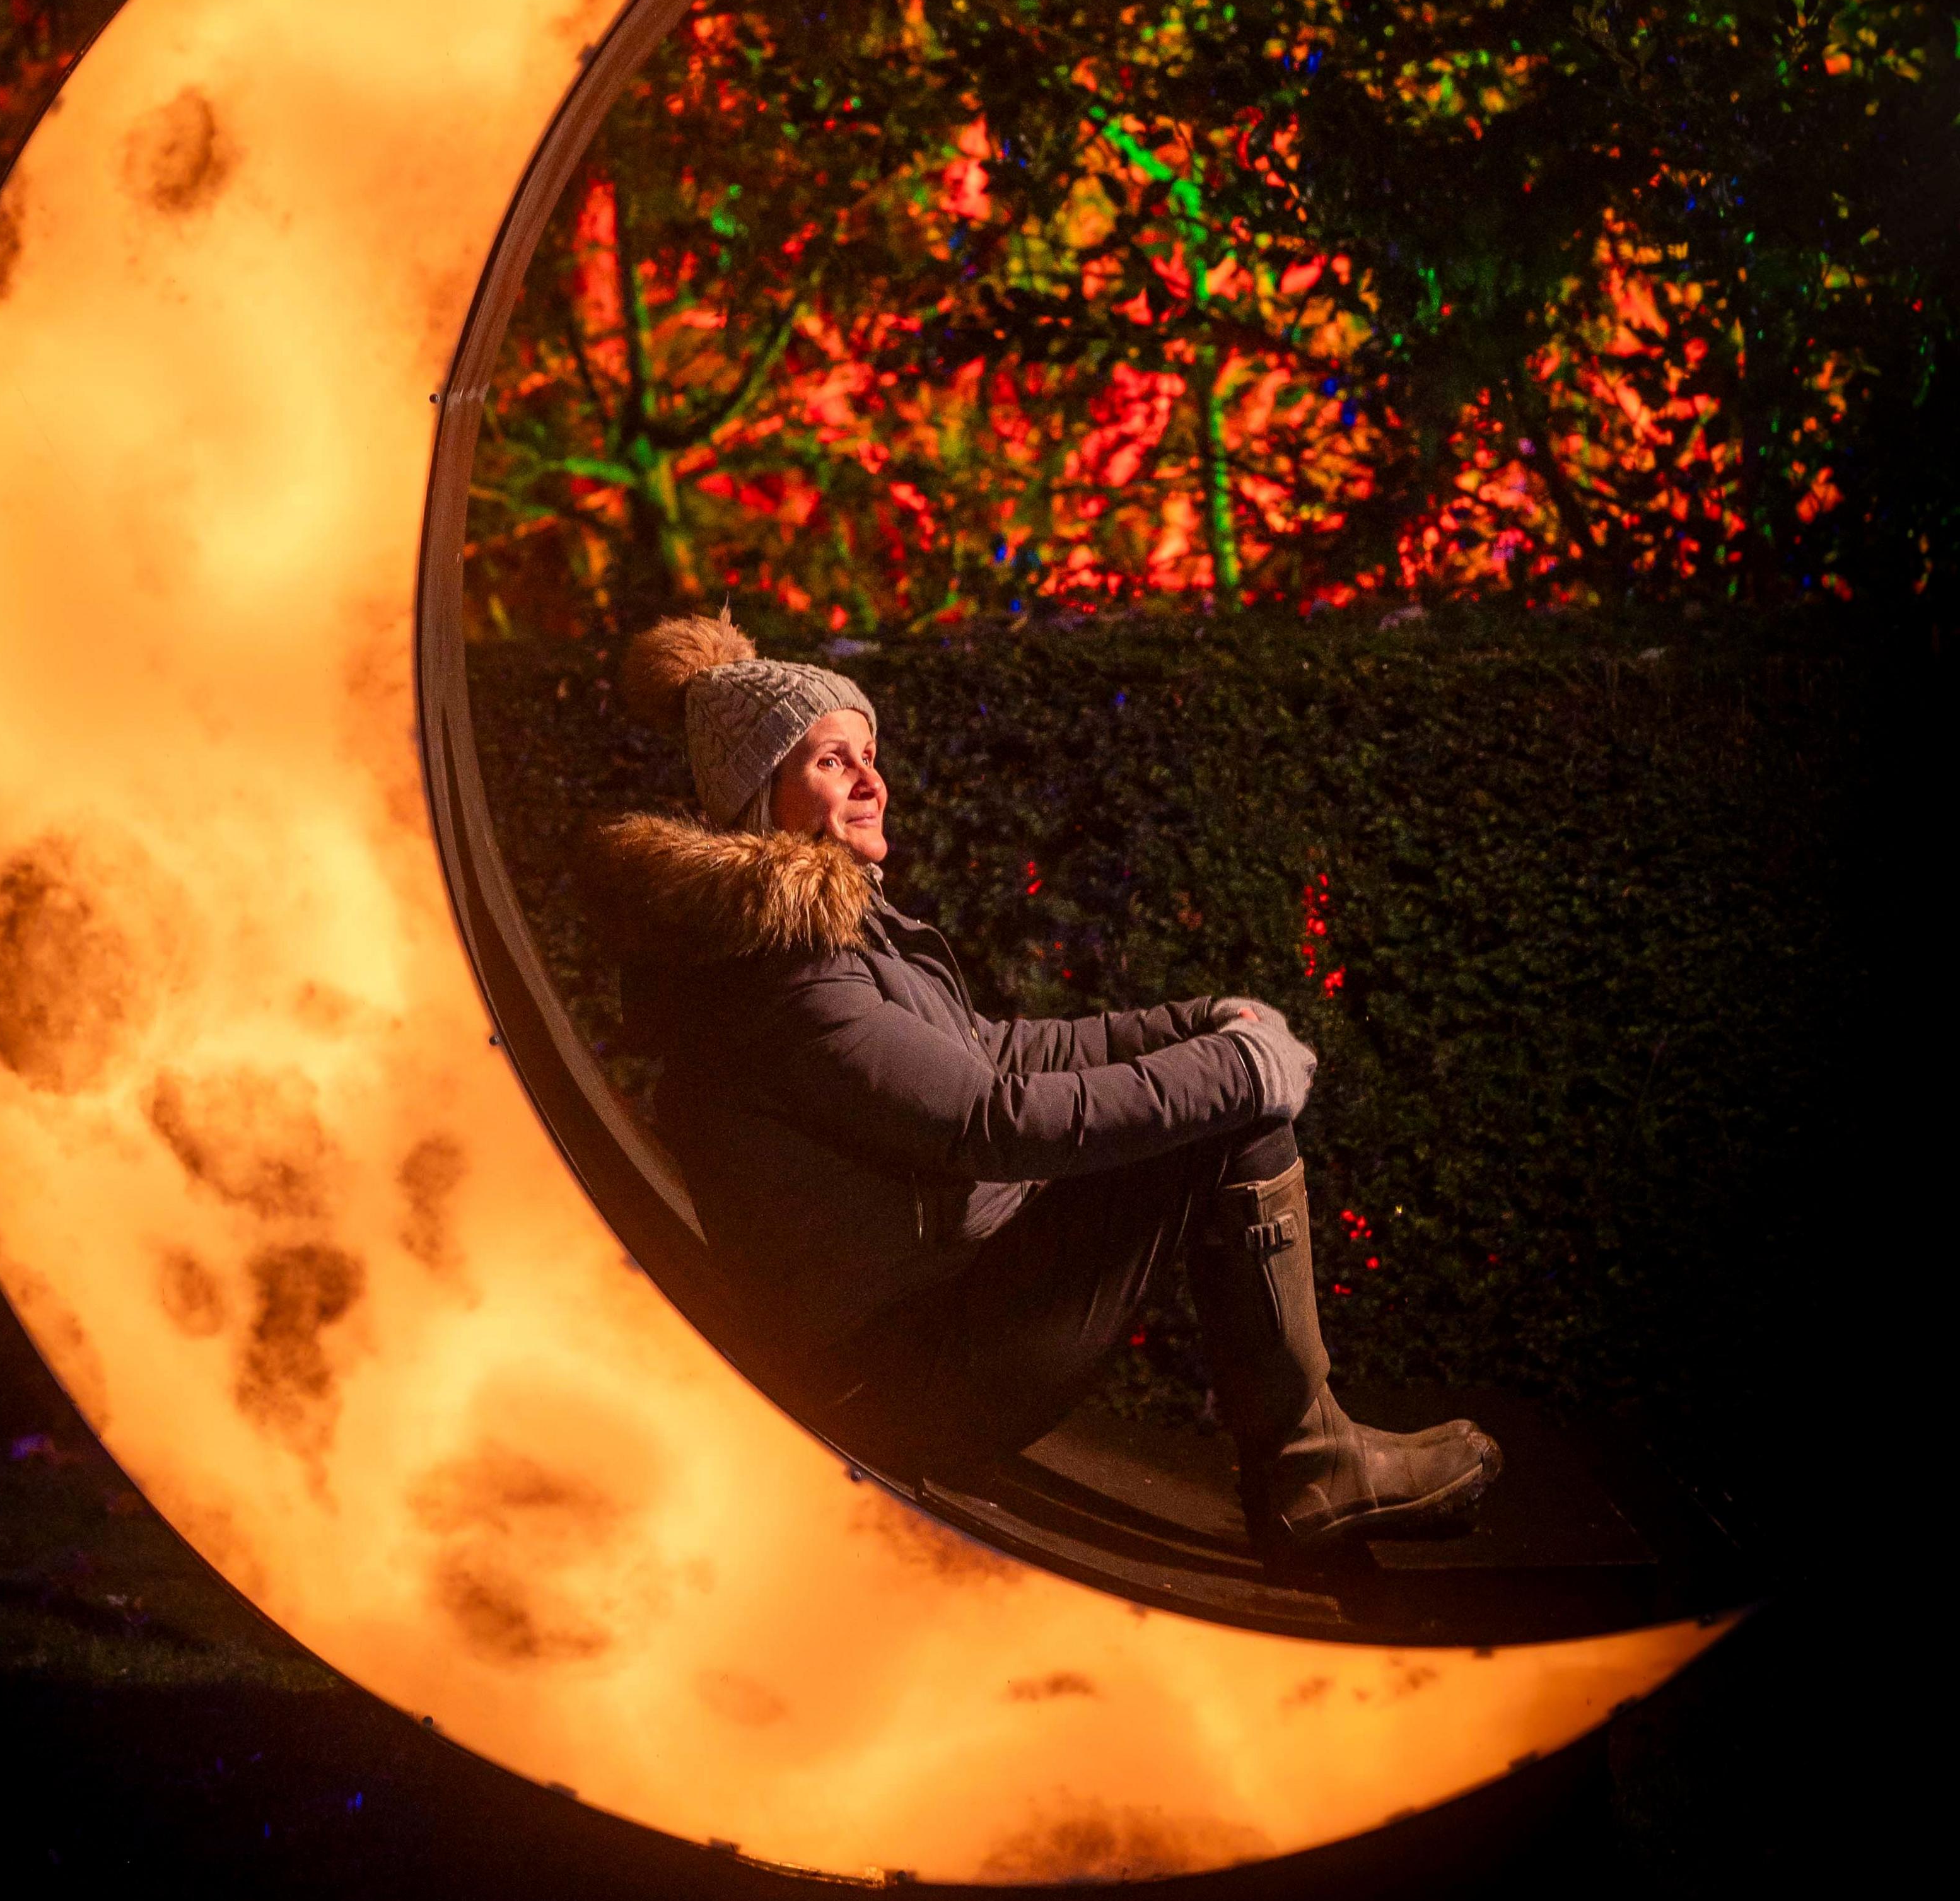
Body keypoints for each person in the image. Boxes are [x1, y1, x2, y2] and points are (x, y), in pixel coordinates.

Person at [588, 611, 1500, 1556]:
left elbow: (996, 1049)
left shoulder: (835, 940)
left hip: (935, 1327)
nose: (871, 782)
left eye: (869, 753)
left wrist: (1195, 1022)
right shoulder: (786, 982)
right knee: (1224, 1122)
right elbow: (996, 1120)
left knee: (1217, 1095)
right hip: (903, 1379)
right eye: (832, 761)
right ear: (755, 795)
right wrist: (1235, 1070)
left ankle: (1312, 1459)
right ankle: (1315, 1464)